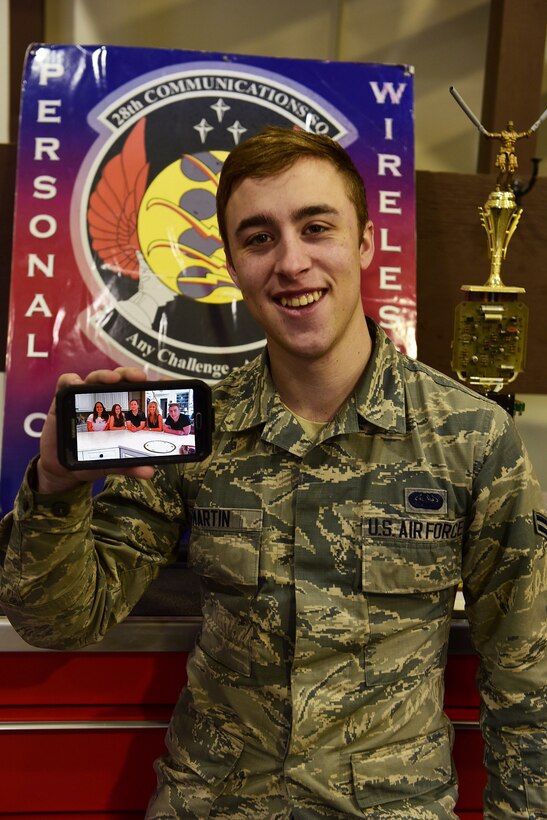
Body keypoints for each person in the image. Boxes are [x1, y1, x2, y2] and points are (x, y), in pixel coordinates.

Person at [0, 127, 545, 819]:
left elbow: (529, 681)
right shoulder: (191, 431)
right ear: (231, 264)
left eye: (316, 227)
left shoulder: (470, 438)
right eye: (258, 238)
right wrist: (56, 487)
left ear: (365, 244)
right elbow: (58, 624)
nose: (291, 262)